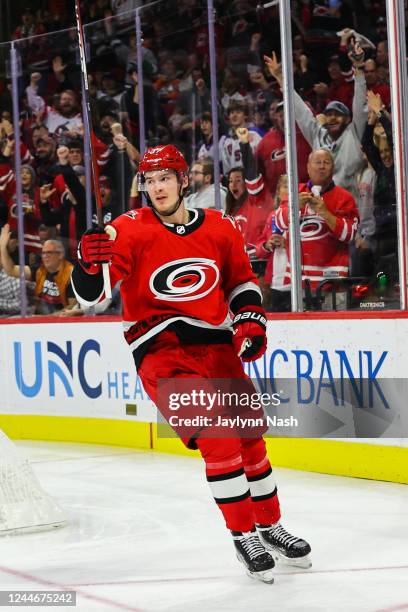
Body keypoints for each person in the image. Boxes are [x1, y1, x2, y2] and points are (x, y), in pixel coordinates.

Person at [71, 144, 311, 583]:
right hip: (161, 351)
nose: (156, 187)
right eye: (149, 180)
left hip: (218, 346)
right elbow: (92, 293)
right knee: (219, 440)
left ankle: (270, 526)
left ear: (184, 181)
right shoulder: (126, 230)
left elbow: (241, 281)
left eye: (165, 178)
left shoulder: (219, 227)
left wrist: (252, 321)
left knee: (251, 441)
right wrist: (87, 262)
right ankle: (244, 537)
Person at [275, 148, 359, 310]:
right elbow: (278, 224)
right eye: (317, 162)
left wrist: (325, 213)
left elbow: (349, 235)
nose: (321, 167)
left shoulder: (344, 197)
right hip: (297, 283)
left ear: (333, 168)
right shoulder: (295, 193)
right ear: (308, 167)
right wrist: (295, 207)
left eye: (326, 163)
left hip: (332, 283)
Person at [0, 226, 76, 316]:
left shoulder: (71, 273)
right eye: (43, 253)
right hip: (38, 318)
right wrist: (2, 247)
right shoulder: (40, 270)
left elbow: (72, 306)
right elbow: (11, 271)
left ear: (60, 255)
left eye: (49, 253)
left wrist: (47, 318)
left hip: (61, 321)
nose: (45, 256)